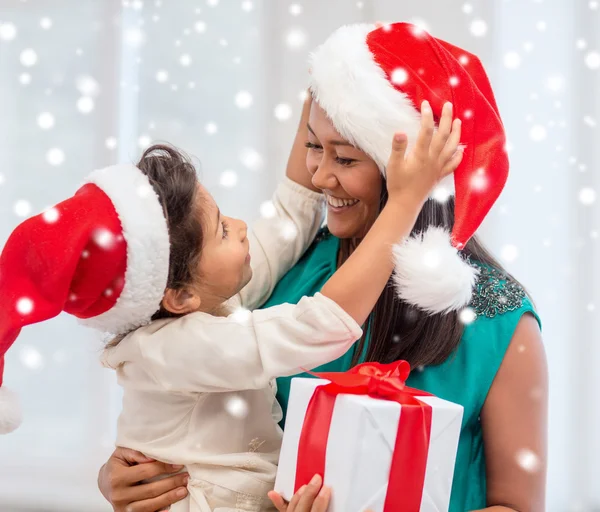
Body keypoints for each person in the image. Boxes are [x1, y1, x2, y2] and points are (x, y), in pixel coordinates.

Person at [98, 22, 547, 512]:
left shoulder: (501, 319)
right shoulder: (287, 272)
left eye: (345, 158)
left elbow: (518, 505)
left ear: (410, 176)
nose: (318, 174)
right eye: (313, 146)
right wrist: (129, 473)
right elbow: (190, 409)